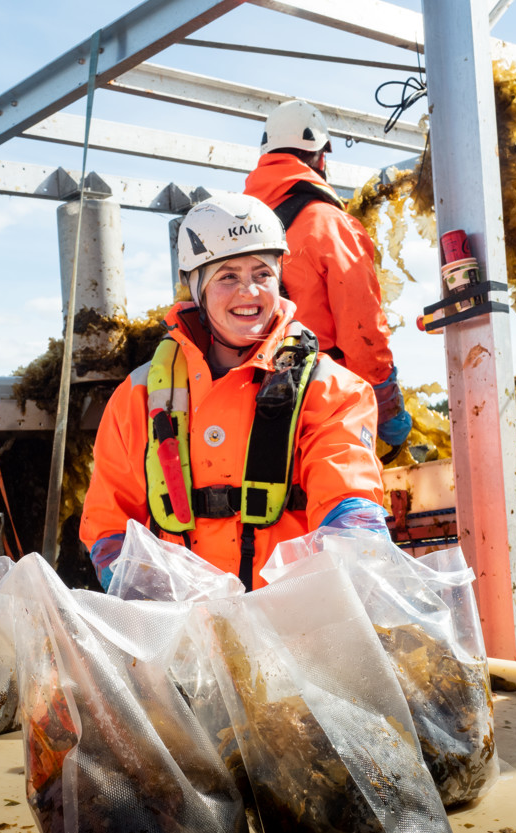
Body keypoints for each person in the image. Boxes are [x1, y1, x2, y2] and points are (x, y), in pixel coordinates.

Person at [80, 193, 389, 592]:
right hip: (184, 624)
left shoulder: (331, 389)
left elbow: (346, 493)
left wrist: (359, 551)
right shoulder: (137, 397)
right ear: (196, 288)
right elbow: (109, 524)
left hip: (293, 619)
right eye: (227, 276)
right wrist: (147, 596)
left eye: (263, 274)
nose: (249, 291)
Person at [243, 99, 412, 457]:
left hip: (249, 404)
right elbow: (362, 325)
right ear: (320, 159)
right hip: (324, 399)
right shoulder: (328, 222)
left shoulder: (240, 225)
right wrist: (386, 402)